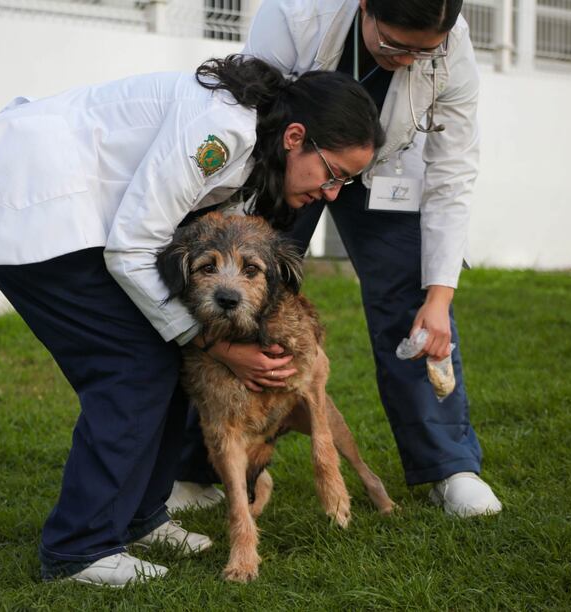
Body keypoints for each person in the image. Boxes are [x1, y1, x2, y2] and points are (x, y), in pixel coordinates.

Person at [0, 55, 384, 587]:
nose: (333, 193)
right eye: (334, 174)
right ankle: (78, 550)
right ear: (295, 137)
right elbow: (132, 247)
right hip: (31, 204)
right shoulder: (221, 134)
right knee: (128, 366)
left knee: (163, 356)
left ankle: (141, 517)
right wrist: (218, 347)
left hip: (76, 213)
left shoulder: (252, 144)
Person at [170, 0, 503, 518]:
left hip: (390, 172)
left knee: (410, 303)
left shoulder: (451, 41)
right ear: (366, 6)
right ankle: (198, 469)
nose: (408, 61)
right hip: (297, 160)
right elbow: (248, 116)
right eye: (394, 45)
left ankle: (449, 465)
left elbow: (452, 172)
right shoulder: (295, 14)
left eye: (424, 52)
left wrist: (438, 297)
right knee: (237, 293)